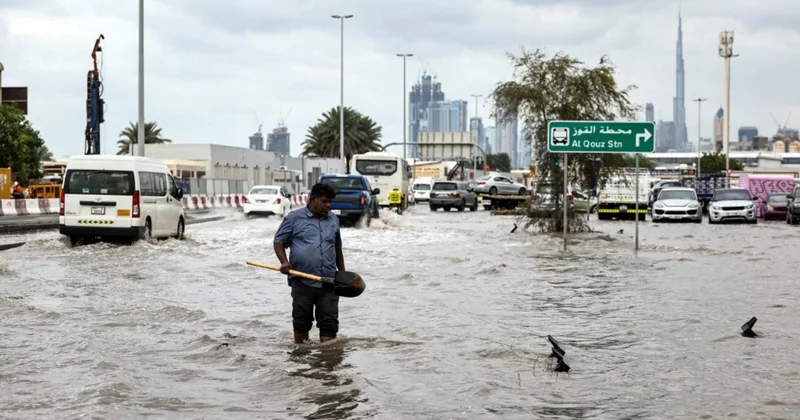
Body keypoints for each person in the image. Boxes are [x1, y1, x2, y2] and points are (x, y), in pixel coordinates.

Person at [273, 183, 344, 344]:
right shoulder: (294, 218)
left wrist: (342, 274)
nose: (328, 205)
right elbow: (278, 241)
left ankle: (327, 358)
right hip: (302, 281)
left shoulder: (333, 219)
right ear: (312, 199)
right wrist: (284, 262)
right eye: (324, 201)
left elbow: (337, 248)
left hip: (329, 282)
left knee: (329, 326)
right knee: (301, 323)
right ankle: (301, 357)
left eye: (330, 202)